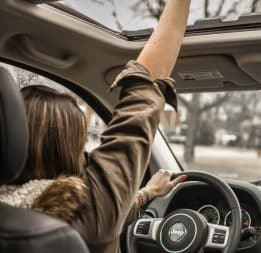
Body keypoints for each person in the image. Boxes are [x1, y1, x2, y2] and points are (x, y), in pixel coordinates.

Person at [0, 0, 192, 252]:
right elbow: (146, 87)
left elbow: (111, 206)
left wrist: (147, 193)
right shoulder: (82, 210)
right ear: (69, 149)